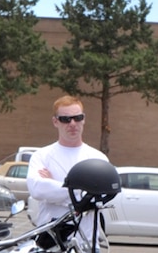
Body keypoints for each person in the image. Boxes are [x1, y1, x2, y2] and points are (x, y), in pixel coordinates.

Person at [27, 95, 109, 230]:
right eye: (65, 119)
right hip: (51, 242)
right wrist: (84, 193)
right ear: (55, 122)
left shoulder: (98, 159)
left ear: (84, 119)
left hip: (86, 244)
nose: (72, 124)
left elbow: (103, 196)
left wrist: (54, 185)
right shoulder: (41, 156)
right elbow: (38, 190)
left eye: (77, 118)